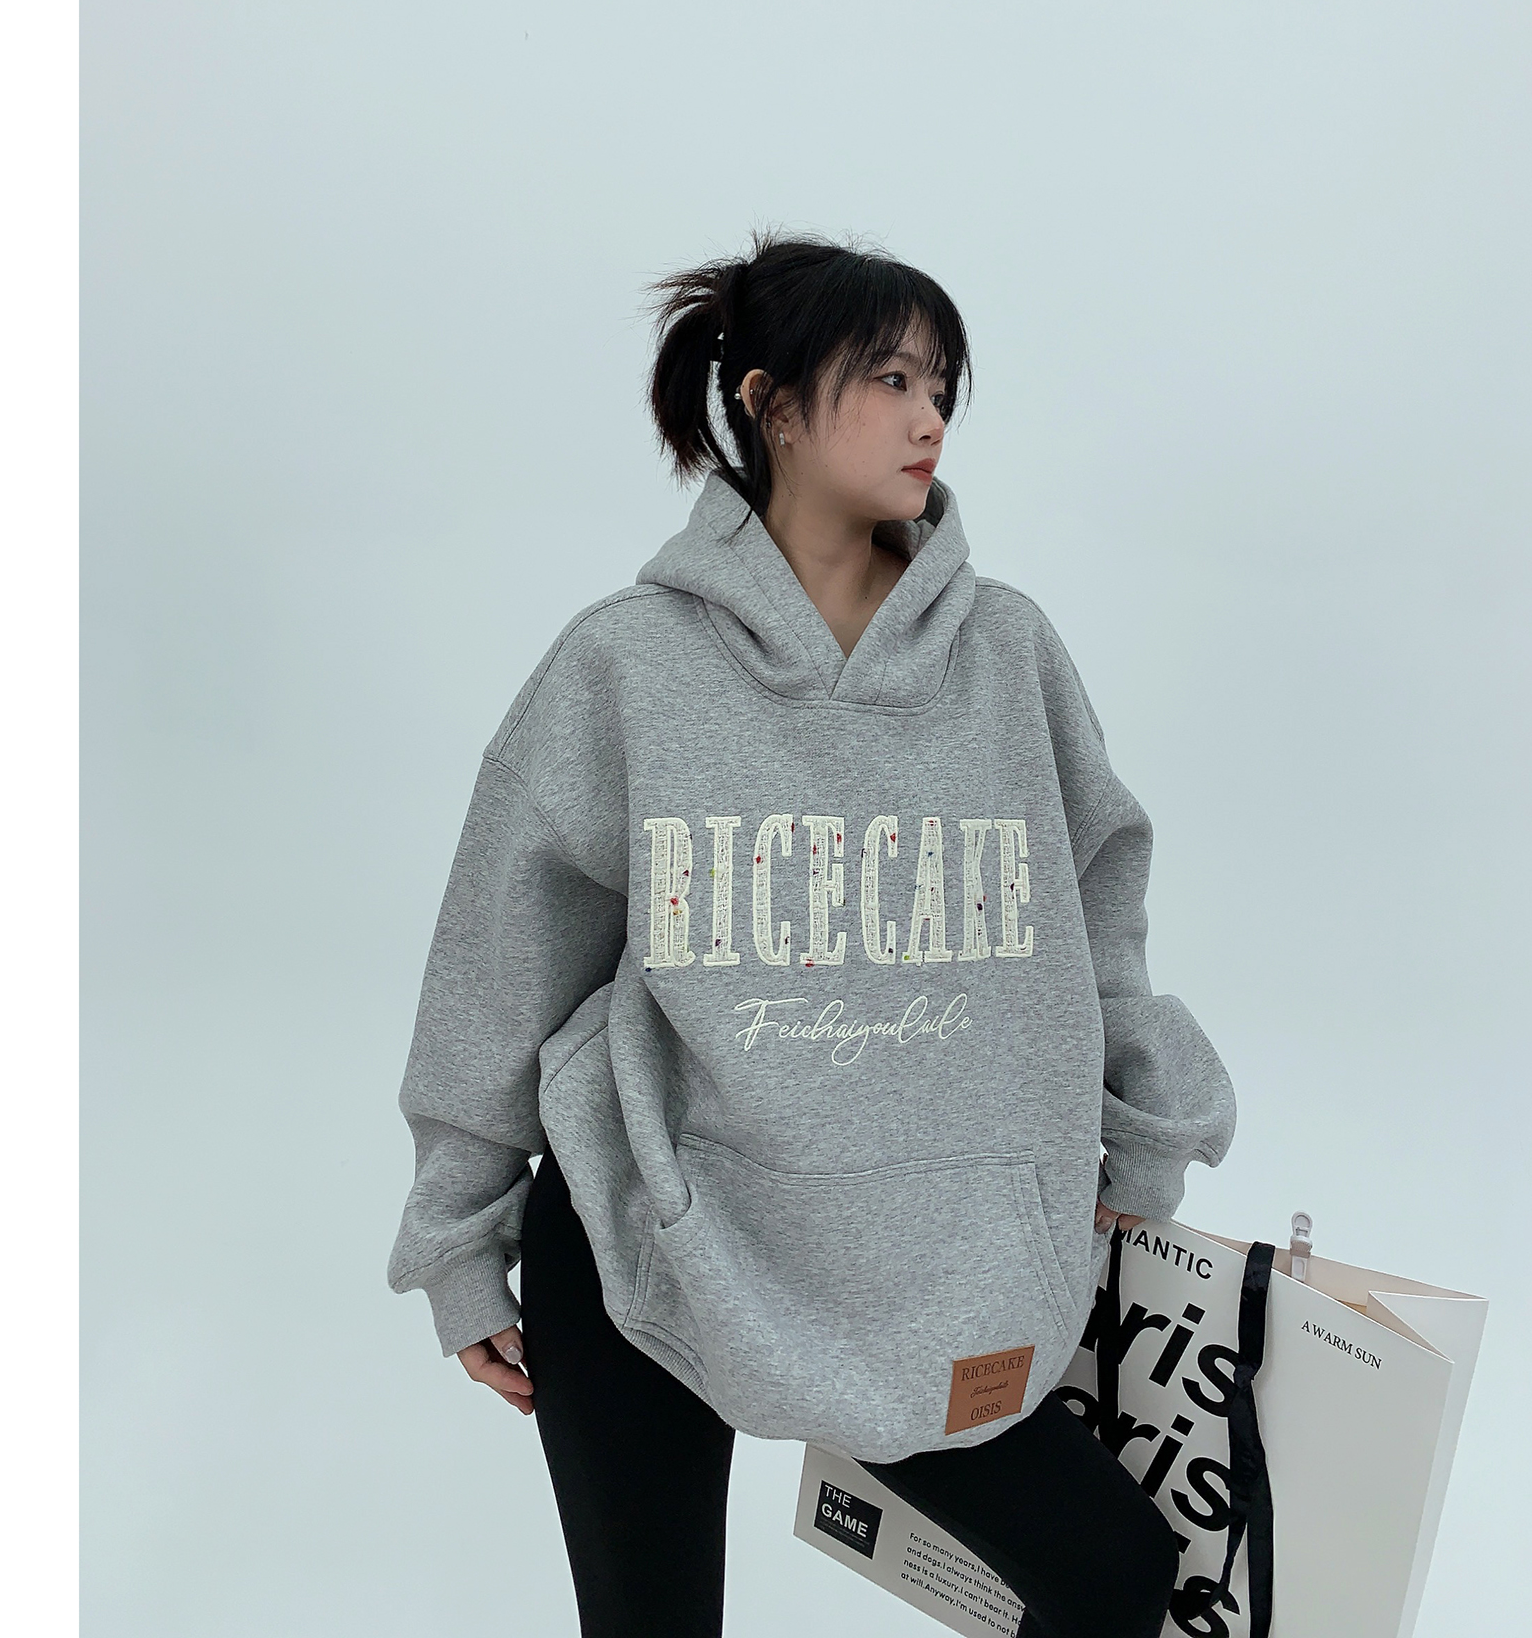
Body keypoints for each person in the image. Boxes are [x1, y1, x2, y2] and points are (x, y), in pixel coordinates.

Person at [387, 235, 1237, 1638]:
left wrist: (1142, 1133)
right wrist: (460, 1237)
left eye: (944, 387)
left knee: (1111, 1575)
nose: (929, 417)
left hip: (934, 1261)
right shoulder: (625, 663)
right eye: (891, 379)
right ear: (772, 402)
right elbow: (503, 952)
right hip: (647, 1231)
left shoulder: (1008, 655)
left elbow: (1100, 914)